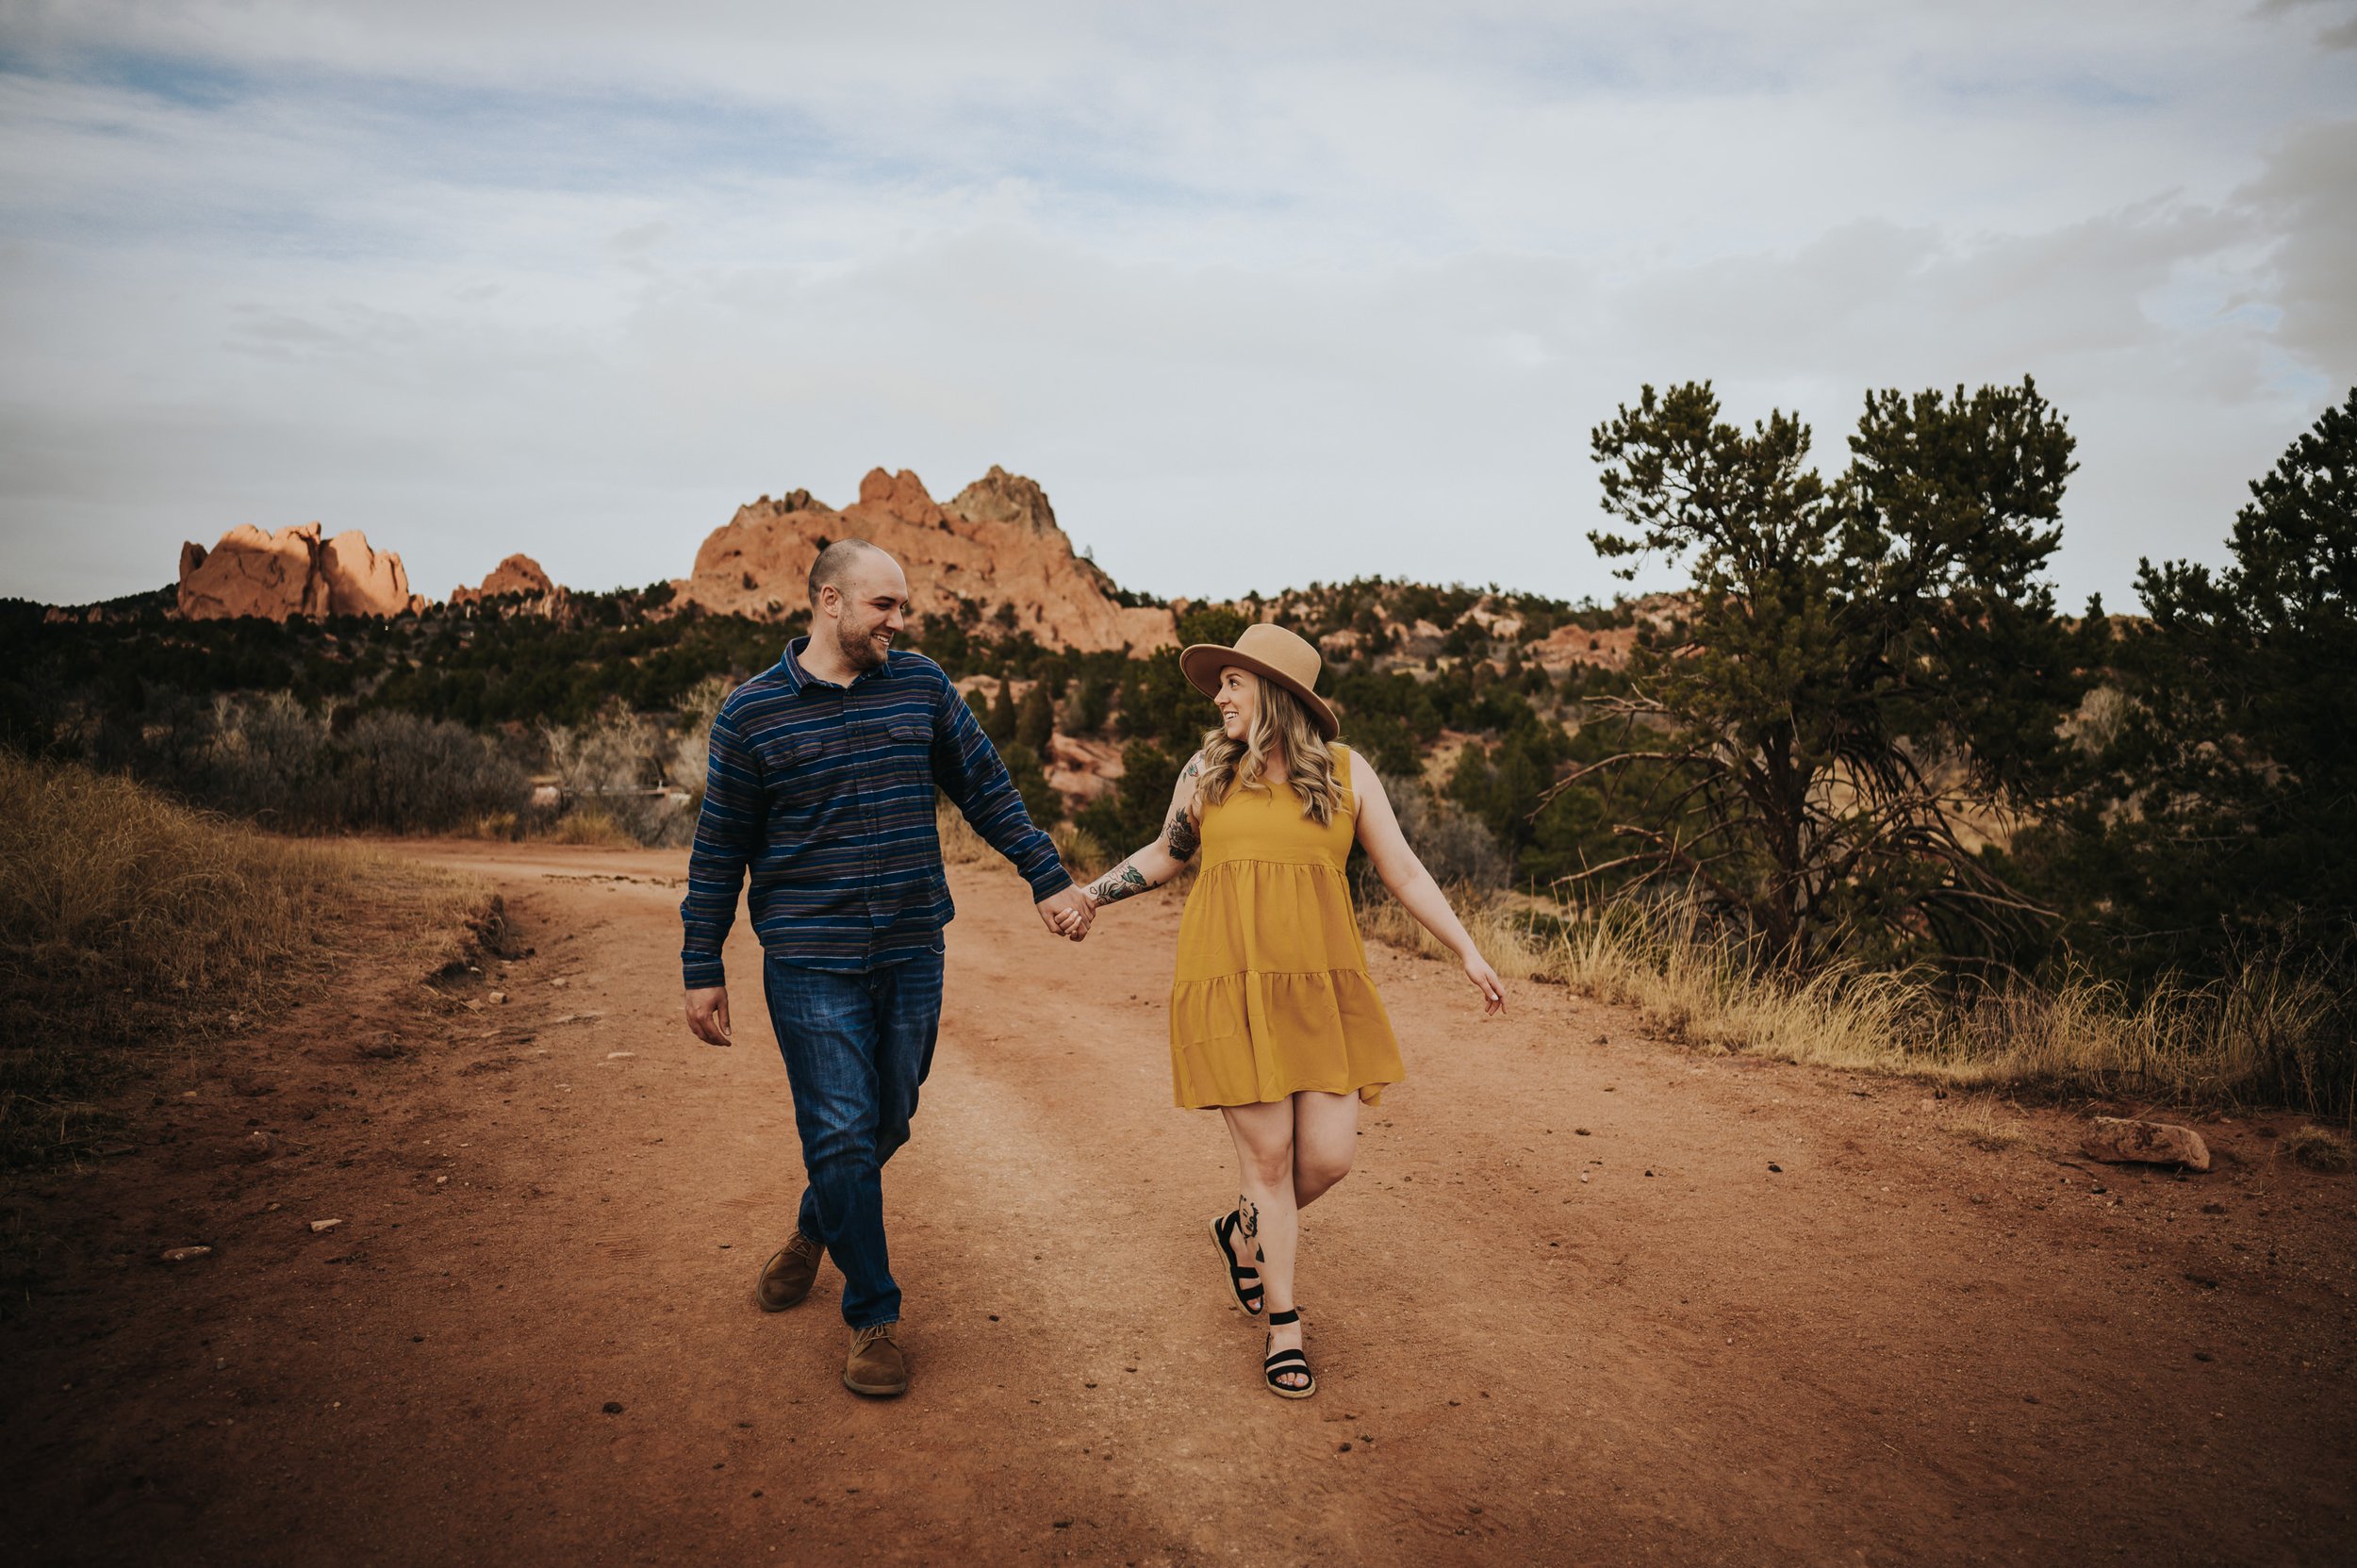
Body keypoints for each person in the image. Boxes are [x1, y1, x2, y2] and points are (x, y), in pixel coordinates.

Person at [679, 539, 1093, 1399]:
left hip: (911, 946)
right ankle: (873, 1316)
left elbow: (984, 783)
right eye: (884, 607)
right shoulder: (751, 714)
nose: (899, 622)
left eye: (902, 607)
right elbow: (720, 846)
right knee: (838, 1128)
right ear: (830, 602)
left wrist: (1044, 873)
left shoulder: (921, 686)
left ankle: (811, 1229)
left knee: (889, 1116)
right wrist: (700, 960)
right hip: (806, 956)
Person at [1080, 623, 1506, 1397]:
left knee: (1328, 1158)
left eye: (1233, 684)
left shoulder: (1346, 774)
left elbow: (1404, 870)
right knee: (1269, 1161)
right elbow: (1166, 852)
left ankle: (1241, 1229)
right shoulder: (1207, 771)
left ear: (1273, 692)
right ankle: (1285, 1327)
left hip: (1321, 989)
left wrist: (1466, 949)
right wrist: (1091, 895)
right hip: (1230, 983)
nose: (1219, 697)